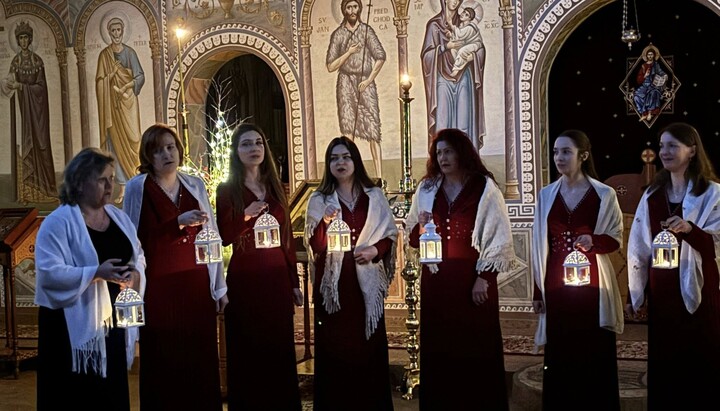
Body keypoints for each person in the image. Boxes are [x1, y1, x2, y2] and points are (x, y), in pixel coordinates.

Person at [406, 128, 517, 410]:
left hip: (473, 281)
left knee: (475, 346)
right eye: (438, 153)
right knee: (441, 347)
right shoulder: (427, 189)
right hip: (437, 282)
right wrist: (421, 225)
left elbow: (498, 238)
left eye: (448, 152)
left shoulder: (484, 188)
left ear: (462, 153)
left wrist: (484, 277)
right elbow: (414, 239)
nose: (442, 158)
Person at [123, 124, 227, 410]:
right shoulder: (138, 187)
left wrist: (219, 287)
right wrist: (177, 223)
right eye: (158, 150)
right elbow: (133, 240)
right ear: (148, 156)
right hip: (159, 286)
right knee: (163, 356)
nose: (167, 154)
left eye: (171, 147)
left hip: (196, 284)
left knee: (199, 356)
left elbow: (212, 234)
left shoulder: (194, 185)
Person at [34, 147, 145, 411]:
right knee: (74, 396)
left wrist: (134, 274)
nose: (110, 186)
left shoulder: (119, 218)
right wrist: (95, 273)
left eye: (111, 179)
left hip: (111, 323)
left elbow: (138, 255)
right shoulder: (57, 223)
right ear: (80, 183)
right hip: (68, 328)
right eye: (102, 180)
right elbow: (49, 273)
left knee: (110, 393)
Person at [627, 122, 720, 411]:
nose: (664, 152)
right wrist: (636, 293)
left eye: (672, 146)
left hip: (700, 290)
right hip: (663, 292)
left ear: (692, 150)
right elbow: (639, 248)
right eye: (662, 146)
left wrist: (691, 230)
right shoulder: (652, 195)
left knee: (700, 359)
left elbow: (717, 244)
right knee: (666, 360)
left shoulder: (712, 194)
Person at [531, 130, 624, 410]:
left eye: (566, 152)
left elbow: (615, 238)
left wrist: (593, 241)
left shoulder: (603, 194)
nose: (559, 157)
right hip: (556, 285)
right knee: (561, 348)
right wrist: (538, 290)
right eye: (556, 152)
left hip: (592, 285)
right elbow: (539, 244)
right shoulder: (546, 195)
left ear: (583, 156)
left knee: (592, 346)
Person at [304, 136, 397, 411]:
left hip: (365, 288)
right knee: (337, 353)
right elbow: (315, 246)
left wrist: (375, 250)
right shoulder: (319, 199)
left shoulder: (374, 196)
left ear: (355, 160)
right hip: (334, 289)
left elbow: (390, 235)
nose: (340, 163)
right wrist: (325, 221)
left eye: (346, 157)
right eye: (334, 158)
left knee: (367, 350)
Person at [215, 123, 303, 410]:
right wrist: (245, 216)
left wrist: (293, 282)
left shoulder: (276, 187)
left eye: (258, 143)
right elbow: (224, 236)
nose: (254, 148)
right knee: (248, 348)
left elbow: (286, 239)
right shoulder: (227, 190)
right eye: (246, 144)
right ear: (236, 151)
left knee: (278, 346)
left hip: (276, 278)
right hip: (245, 278)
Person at [326, 0, 386, 177]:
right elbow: (331, 66)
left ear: (359, 8)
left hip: (365, 82)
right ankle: (349, 177)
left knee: (373, 129)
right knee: (347, 129)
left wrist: (369, 80)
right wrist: (349, 53)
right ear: (344, 10)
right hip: (345, 82)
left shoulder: (366, 31)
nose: (352, 10)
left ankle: (380, 177)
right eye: (349, 7)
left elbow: (380, 56)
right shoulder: (338, 34)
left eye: (355, 6)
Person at [0, 20, 57, 203]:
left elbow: (42, 88)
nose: (23, 41)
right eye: (21, 38)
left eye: (26, 38)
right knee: (24, 148)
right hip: (22, 113)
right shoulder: (15, 62)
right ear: (17, 41)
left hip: (38, 113)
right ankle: (25, 194)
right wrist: (8, 84)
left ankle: (47, 190)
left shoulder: (38, 61)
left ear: (30, 39)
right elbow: (9, 83)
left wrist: (22, 87)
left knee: (42, 145)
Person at [421, 0, 486, 151]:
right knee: (442, 122)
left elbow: (480, 48)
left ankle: (466, 160)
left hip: (464, 77)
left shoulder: (465, 24)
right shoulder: (434, 25)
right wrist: (445, 47)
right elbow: (426, 57)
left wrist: (473, 57)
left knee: (464, 122)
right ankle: (442, 162)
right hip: (442, 78)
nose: (455, 1)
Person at [96, 16, 145, 201]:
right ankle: (124, 188)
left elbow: (140, 76)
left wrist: (126, 86)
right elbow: (99, 81)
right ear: (109, 33)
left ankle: (138, 182)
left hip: (128, 102)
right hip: (112, 106)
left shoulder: (130, 53)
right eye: (113, 30)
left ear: (123, 31)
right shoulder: (104, 55)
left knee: (134, 139)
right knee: (116, 144)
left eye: (119, 30)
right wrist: (111, 75)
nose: (116, 33)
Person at [447, 6, 483, 77]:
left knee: (462, 50)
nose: (463, 14)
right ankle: (462, 64)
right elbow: (458, 38)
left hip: (475, 44)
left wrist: (451, 25)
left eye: (466, 15)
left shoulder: (470, 27)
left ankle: (456, 69)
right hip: (467, 43)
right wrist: (451, 36)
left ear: (470, 19)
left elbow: (460, 34)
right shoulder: (461, 25)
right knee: (453, 50)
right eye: (463, 12)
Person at [633, 44, 666, 122]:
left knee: (653, 92)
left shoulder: (656, 65)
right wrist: (645, 75)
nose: (650, 56)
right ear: (646, 56)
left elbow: (661, 72)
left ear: (654, 55)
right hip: (645, 85)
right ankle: (644, 113)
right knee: (636, 96)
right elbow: (638, 79)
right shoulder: (643, 66)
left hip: (654, 85)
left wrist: (665, 75)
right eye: (648, 54)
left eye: (651, 54)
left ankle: (650, 112)